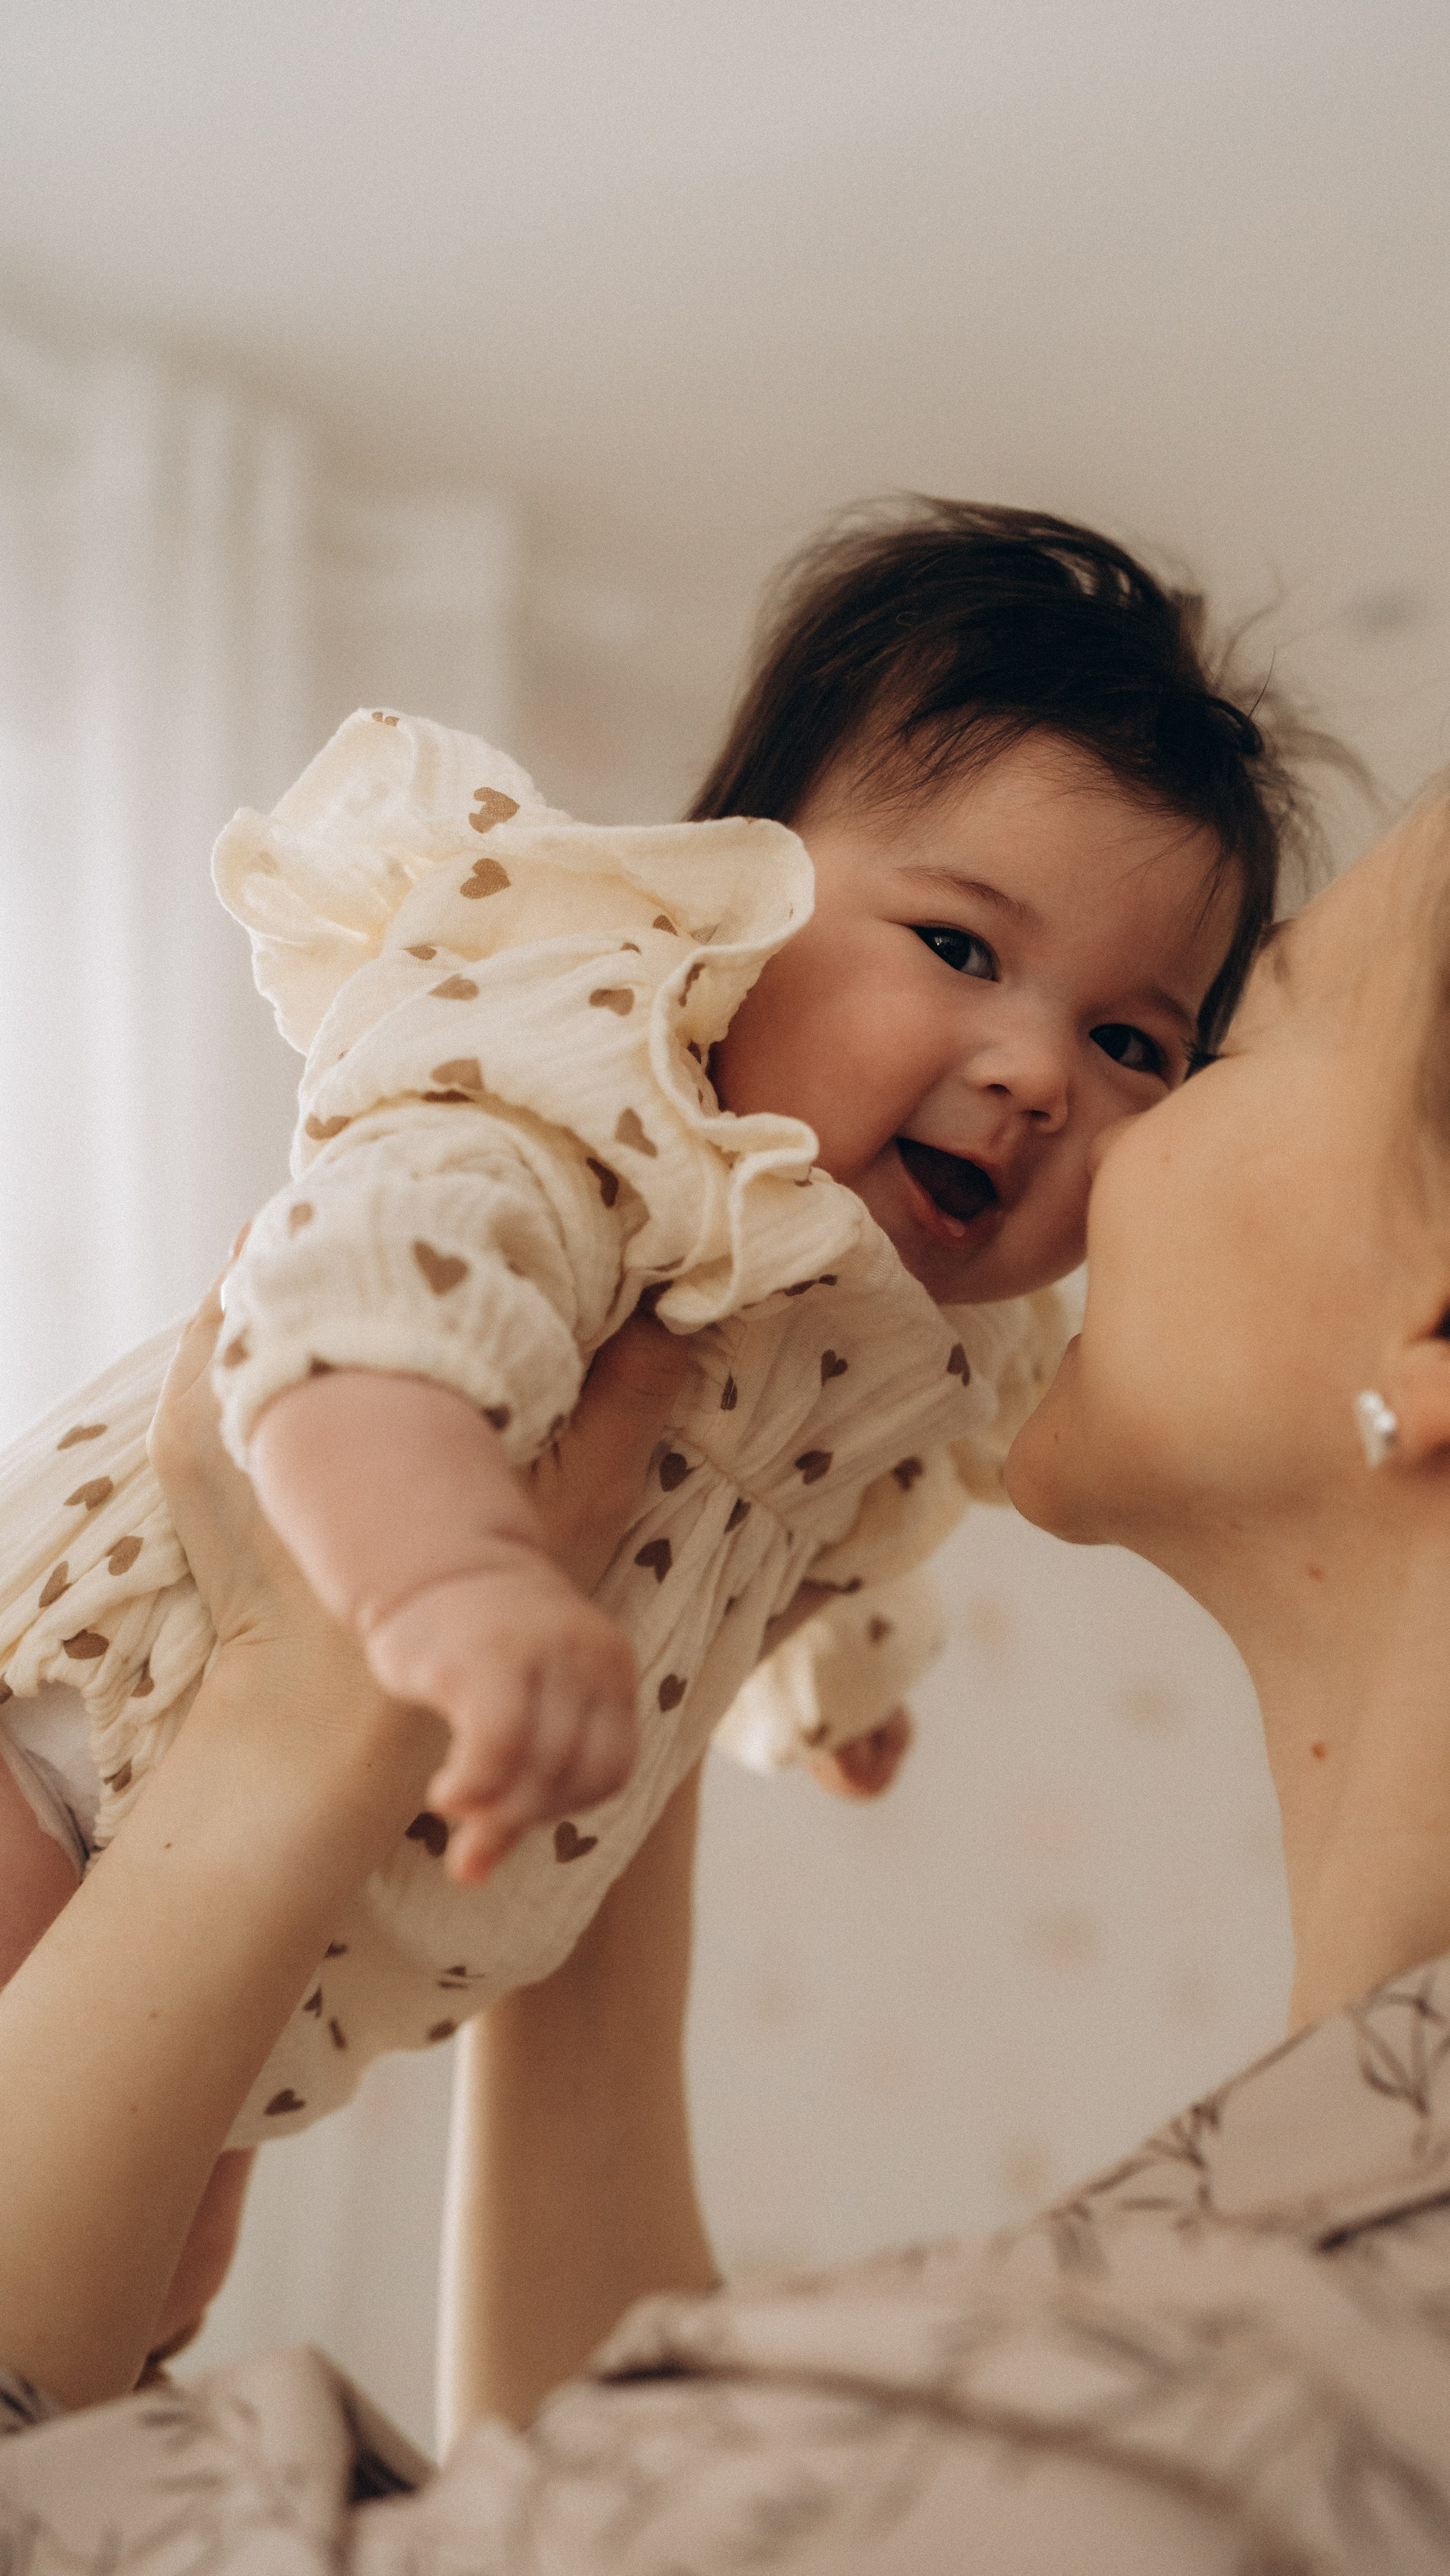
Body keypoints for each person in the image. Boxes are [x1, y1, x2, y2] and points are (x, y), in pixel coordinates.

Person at [9, 700, 1450, 2568]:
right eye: (967, 949)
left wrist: (291, 1729)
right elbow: (615, 2494)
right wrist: (623, 1654)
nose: (1085, 1108)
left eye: (1201, 1041)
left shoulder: (1237, 2394)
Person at [0, 501, 1306, 2361]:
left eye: (1135, 1046)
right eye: (958, 943)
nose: (1034, 1072)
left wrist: (829, 1688)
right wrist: (448, 1578)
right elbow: (352, 1309)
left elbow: (833, 1533)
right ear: (734, 911)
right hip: (67, 1759)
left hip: (275, 1990)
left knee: (125, 2348)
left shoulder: (929, 1359)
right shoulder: (588, 1125)